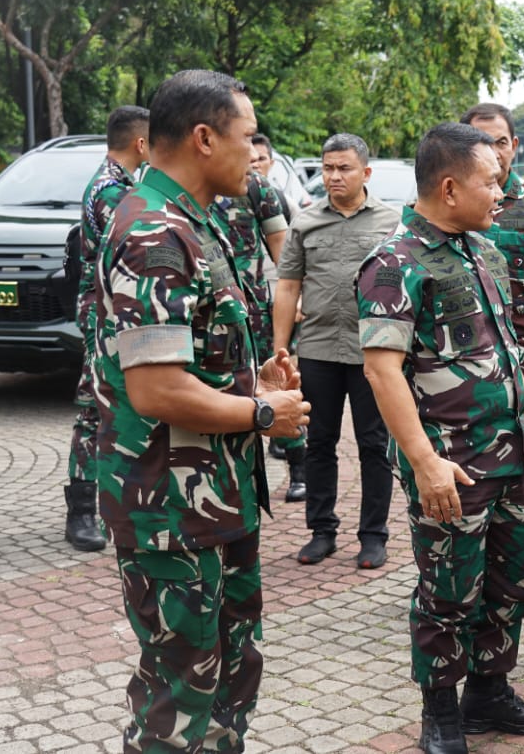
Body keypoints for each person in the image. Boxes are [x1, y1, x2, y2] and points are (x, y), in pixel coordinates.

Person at [92, 69, 310, 752]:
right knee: (179, 690)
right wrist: (264, 415)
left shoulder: (196, 219)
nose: (257, 153)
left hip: (214, 496)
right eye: (248, 138)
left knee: (228, 669)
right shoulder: (152, 231)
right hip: (170, 509)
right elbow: (155, 389)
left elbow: (195, 353)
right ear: (204, 137)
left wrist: (255, 378)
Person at [357, 122, 524, 754]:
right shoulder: (395, 263)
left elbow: (501, 348)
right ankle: (441, 713)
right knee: (449, 590)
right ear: (449, 188)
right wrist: (424, 463)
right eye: (490, 181)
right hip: (451, 465)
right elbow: (381, 369)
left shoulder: (485, 252)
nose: (499, 192)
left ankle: (489, 692)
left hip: (508, 456)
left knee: (511, 583)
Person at [274, 133, 400, 569]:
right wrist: (280, 348)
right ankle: (322, 531)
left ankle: (373, 536)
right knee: (319, 442)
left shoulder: (391, 222)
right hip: (319, 348)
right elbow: (288, 286)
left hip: (375, 354)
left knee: (374, 443)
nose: (334, 176)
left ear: (365, 172)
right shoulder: (305, 222)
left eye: (344, 168)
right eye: (328, 168)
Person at [64, 104, 150, 552]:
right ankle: (80, 512)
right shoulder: (110, 190)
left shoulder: (121, 183)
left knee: (116, 407)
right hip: (104, 316)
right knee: (94, 409)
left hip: (115, 315)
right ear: (141, 143)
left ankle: (114, 503)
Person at [211, 165, 305, 502]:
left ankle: (298, 467)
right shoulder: (188, 186)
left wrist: (294, 296)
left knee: (276, 381)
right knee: (226, 391)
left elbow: (282, 249)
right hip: (209, 312)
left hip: (255, 311)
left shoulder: (256, 187)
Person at [459, 103, 524, 393]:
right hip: (463, 351)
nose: (493, 152)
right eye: (481, 142)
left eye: (501, 142)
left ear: (515, 145)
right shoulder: (451, 201)